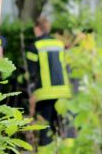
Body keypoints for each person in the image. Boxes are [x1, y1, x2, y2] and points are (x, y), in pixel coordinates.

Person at [25, 15, 71, 145]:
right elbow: (66, 67)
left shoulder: (35, 46)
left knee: (45, 128)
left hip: (45, 94)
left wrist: (31, 93)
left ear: (37, 29)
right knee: (64, 127)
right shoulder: (59, 44)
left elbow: (31, 72)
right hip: (63, 92)